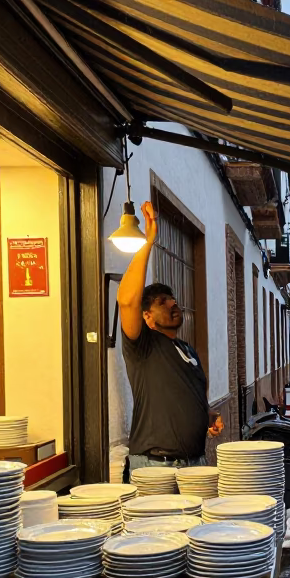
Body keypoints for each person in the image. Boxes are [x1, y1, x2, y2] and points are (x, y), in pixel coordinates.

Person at [117, 200, 222, 480]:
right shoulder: (143, 345)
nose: (173, 303)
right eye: (162, 302)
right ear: (147, 317)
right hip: (156, 466)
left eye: (173, 298)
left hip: (193, 464)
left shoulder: (187, 350)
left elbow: (188, 397)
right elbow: (127, 301)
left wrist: (207, 415)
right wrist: (148, 242)